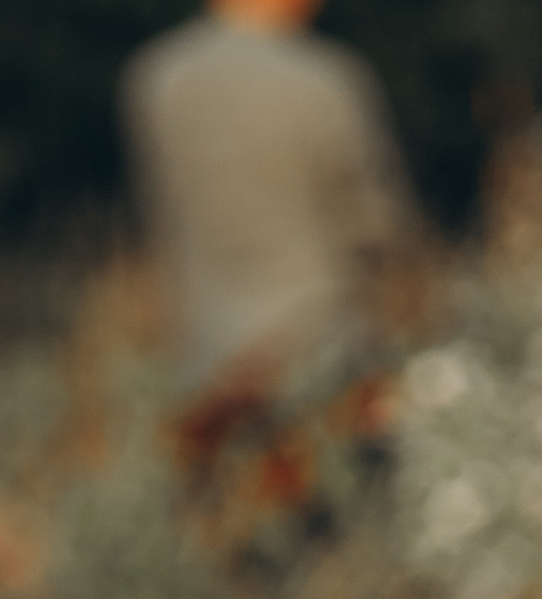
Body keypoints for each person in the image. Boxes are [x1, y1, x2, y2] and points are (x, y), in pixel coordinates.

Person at [121, 0, 416, 425]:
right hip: (322, 353)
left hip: (205, 361)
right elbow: (377, 223)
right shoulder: (324, 77)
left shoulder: (158, 74)